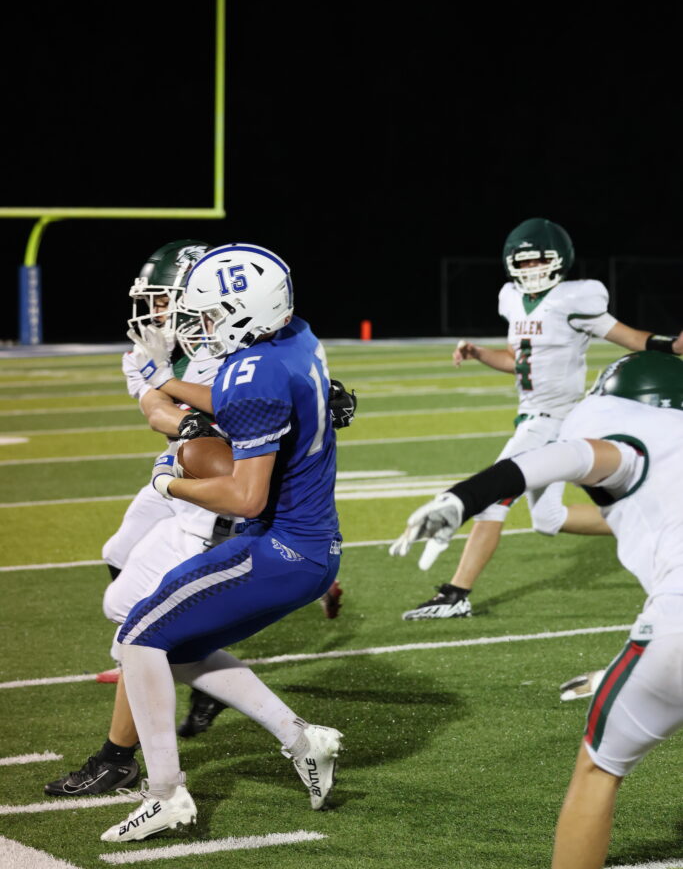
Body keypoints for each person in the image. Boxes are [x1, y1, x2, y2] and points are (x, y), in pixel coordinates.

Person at [391, 349, 683, 869]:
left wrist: (461, 499)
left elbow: (559, 459)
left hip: (675, 631)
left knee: (598, 769)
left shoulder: (628, 442)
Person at [101, 243, 343, 843]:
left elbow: (245, 498)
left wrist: (170, 481)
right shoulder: (293, 339)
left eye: (211, 314)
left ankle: (165, 794)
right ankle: (301, 739)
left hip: (280, 548)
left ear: (244, 312)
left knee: (138, 634)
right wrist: (168, 380)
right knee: (175, 646)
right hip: (306, 545)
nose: (202, 326)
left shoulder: (256, 372)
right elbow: (236, 398)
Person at [397, 217, 683, 621]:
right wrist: (479, 353)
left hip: (556, 419)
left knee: (492, 499)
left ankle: (457, 594)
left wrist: (670, 345)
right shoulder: (512, 299)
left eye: (539, 260)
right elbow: (516, 361)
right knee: (548, 519)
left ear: (558, 259)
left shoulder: (574, 299)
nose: (531, 269)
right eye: (524, 262)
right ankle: (658, 517)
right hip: (532, 415)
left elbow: (627, 336)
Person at [44, 240, 233, 796]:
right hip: (176, 467)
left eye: (163, 299)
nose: (154, 311)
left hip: (214, 484)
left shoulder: (232, 342)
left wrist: (173, 394)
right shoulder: (151, 349)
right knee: (119, 554)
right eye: (151, 300)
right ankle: (180, 667)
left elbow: (232, 412)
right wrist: (174, 402)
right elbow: (155, 411)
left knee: (141, 616)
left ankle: (127, 741)